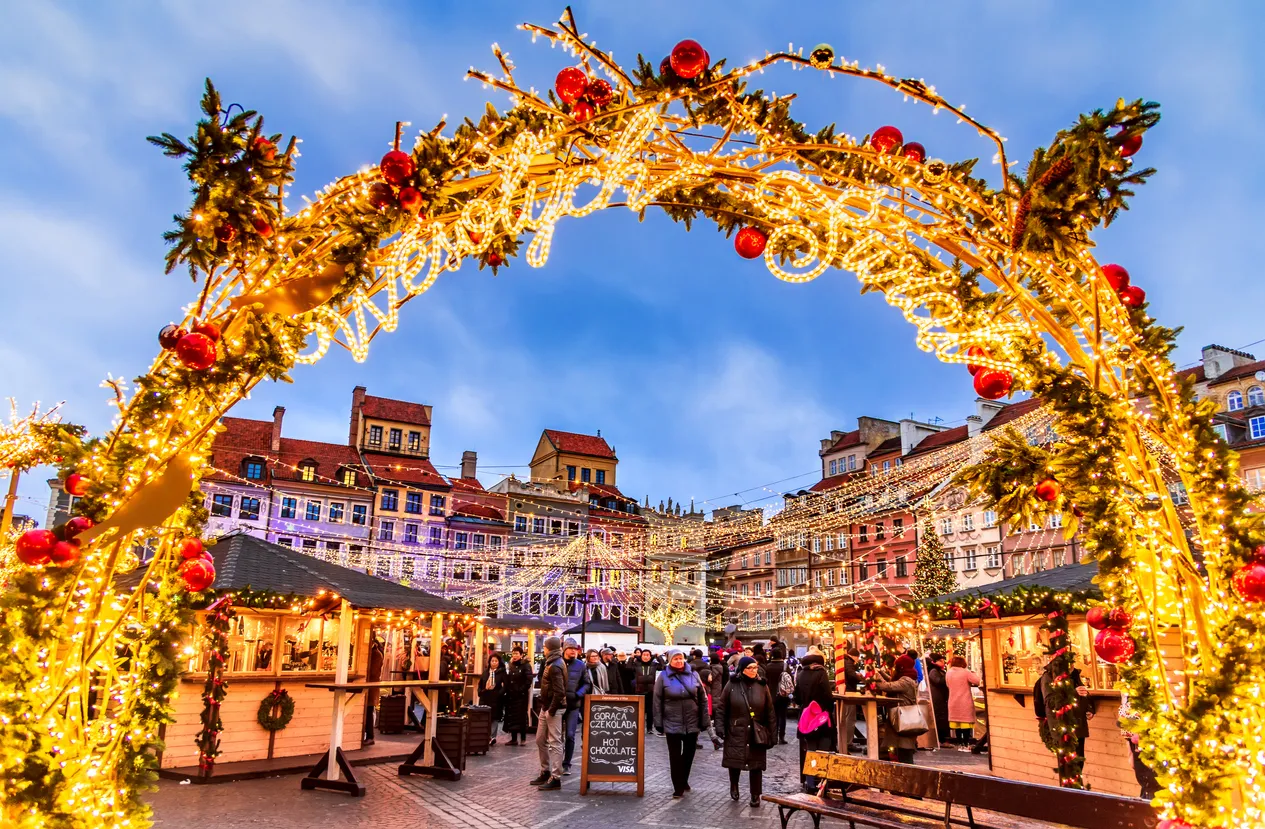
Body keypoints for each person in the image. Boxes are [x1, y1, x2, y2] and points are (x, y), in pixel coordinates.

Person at [716, 656, 777, 807]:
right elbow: (722, 707)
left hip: (757, 731)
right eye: (750, 668)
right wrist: (720, 727)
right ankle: (734, 785)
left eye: (755, 668)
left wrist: (773, 733)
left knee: (756, 764)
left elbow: (770, 711)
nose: (753, 671)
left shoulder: (762, 685)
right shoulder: (732, 684)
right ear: (742, 669)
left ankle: (755, 794)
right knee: (735, 761)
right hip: (736, 729)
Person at [653, 648, 708, 797]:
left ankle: (684, 779)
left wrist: (704, 720)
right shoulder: (663, 676)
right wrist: (658, 722)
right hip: (672, 720)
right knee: (675, 756)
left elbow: (702, 698)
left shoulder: (694, 674)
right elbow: (657, 700)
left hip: (692, 720)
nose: (678, 661)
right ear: (670, 661)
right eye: (675, 659)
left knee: (689, 754)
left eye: (680, 658)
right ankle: (678, 785)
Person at [1033, 656, 1096, 767]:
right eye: (1070, 664)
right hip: (1061, 726)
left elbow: (1083, 694)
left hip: (1078, 726)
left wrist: (1089, 709)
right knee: (1068, 766)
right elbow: (1050, 701)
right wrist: (1073, 693)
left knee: (1078, 764)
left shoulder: (1074, 675)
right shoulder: (1048, 677)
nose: (1072, 666)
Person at [793, 651, 835, 792]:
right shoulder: (821, 673)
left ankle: (810, 782)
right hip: (821, 717)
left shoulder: (800, 674)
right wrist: (828, 710)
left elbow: (797, 698)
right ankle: (822, 783)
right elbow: (828, 696)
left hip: (806, 718)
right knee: (823, 751)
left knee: (811, 751)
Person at [530, 636, 566, 790]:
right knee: (540, 739)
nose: (543, 649)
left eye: (544, 646)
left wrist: (551, 710)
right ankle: (545, 771)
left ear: (550, 648)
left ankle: (556, 777)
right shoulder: (551, 662)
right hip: (547, 706)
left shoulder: (555, 665)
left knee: (555, 742)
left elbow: (559, 692)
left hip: (554, 708)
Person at [871, 653, 919, 764]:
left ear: (901, 667)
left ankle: (908, 773)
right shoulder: (907, 678)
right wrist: (881, 672)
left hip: (904, 718)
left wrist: (875, 674)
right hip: (903, 717)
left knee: (904, 749)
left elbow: (887, 686)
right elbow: (892, 682)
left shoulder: (906, 681)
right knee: (901, 749)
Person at [1119, 691, 1159, 800]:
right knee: (1145, 781)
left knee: (1151, 782)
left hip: (1150, 744)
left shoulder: (1152, 693)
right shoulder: (1127, 694)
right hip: (1136, 743)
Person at [561, 640, 588, 774]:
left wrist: (578, 694)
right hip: (558, 704)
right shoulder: (557, 663)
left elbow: (587, 683)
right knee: (555, 737)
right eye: (570, 648)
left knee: (570, 735)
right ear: (564, 649)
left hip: (573, 705)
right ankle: (555, 762)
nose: (573, 651)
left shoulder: (580, 665)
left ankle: (567, 763)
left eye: (575, 648)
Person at [946, 656, 981, 747]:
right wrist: (973, 673)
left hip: (953, 700)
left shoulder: (948, 672)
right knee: (965, 722)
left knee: (957, 723)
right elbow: (977, 681)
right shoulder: (965, 672)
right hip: (964, 701)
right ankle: (966, 743)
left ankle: (959, 743)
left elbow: (947, 684)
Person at [502, 646, 533, 745]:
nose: (514, 655)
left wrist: (521, 690)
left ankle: (523, 738)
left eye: (516, 653)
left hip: (521, 696)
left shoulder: (526, 665)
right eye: (513, 653)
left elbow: (528, 680)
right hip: (511, 695)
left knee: (521, 716)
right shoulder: (510, 665)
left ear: (521, 655)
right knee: (512, 716)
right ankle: (513, 738)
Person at [479, 653, 508, 747]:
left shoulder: (502, 673)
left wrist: (499, 693)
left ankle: (492, 736)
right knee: (486, 717)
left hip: (496, 699)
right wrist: (482, 691)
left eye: (496, 661)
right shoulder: (485, 672)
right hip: (485, 697)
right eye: (492, 661)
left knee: (495, 718)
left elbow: (506, 686)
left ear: (499, 662)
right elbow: (480, 685)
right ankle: (487, 736)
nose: (494, 663)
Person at [766, 645, 791, 745]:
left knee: (773, 717)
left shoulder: (768, 666)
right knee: (783, 716)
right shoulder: (785, 666)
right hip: (783, 694)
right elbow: (790, 680)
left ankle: (774, 736)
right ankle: (782, 737)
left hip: (771, 695)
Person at [925, 653, 950, 747]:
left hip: (943, 698)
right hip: (937, 698)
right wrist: (947, 677)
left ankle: (944, 739)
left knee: (943, 718)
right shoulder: (933, 671)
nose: (943, 662)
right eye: (941, 661)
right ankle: (941, 740)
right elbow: (938, 681)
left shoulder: (940, 671)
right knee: (940, 719)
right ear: (934, 662)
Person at [633, 649, 659, 732]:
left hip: (651, 690)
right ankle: (639, 727)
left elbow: (662, 666)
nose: (645, 656)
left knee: (650, 710)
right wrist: (632, 658)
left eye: (647, 655)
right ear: (641, 656)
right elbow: (628, 668)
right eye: (644, 655)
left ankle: (649, 728)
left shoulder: (654, 664)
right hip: (639, 690)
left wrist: (658, 657)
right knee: (639, 710)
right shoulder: (637, 664)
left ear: (650, 656)